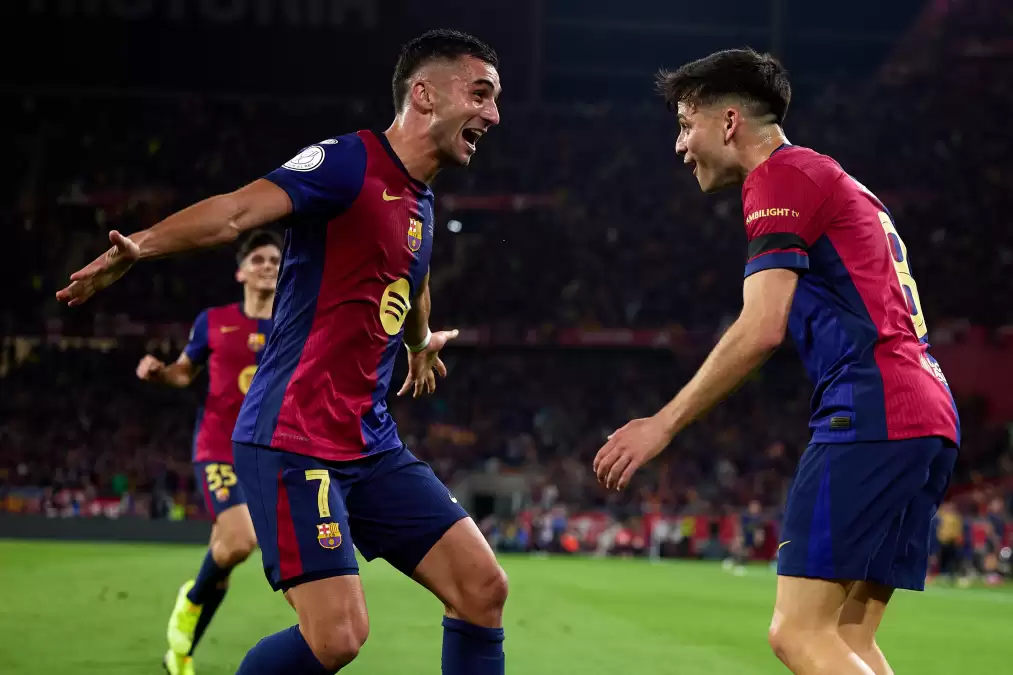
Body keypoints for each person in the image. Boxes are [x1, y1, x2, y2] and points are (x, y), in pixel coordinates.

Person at [57, 29, 507, 675]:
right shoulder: (346, 162)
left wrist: (416, 343)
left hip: (369, 440)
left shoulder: (420, 201)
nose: (494, 115)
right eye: (481, 94)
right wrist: (142, 247)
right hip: (294, 437)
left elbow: (413, 276)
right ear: (424, 94)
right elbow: (237, 211)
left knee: (482, 589)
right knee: (337, 637)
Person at [593, 48, 959, 675]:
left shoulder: (779, 178)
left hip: (872, 408)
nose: (680, 146)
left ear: (729, 121)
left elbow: (762, 328)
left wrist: (663, 423)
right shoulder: (836, 179)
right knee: (848, 637)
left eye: (686, 124)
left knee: (797, 633)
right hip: (926, 412)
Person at [135, 230, 280, 675]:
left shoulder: (293, 321)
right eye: (258, 260)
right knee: (240, 541)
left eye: (275, 260)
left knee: (225, 553)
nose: (268, 266)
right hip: (219, 447)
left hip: (270, 451)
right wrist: (160, 373)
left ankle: (179, 654)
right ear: (241, 273)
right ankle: (193, 597)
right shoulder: (214, 321)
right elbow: (184, 373)